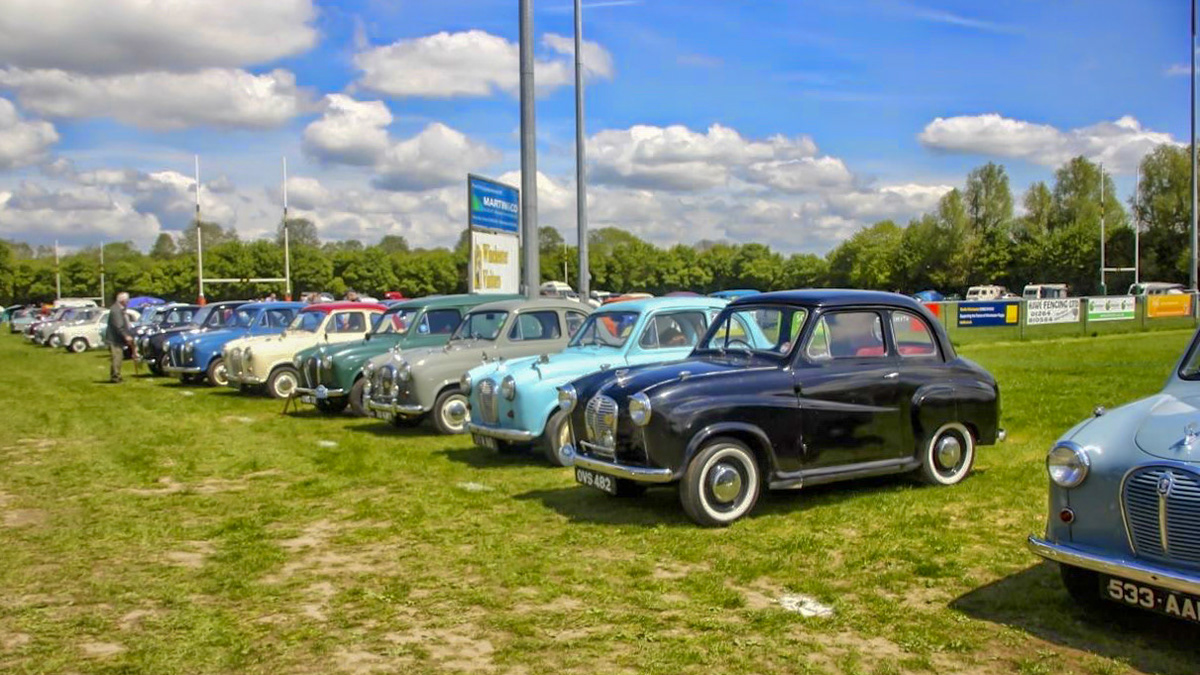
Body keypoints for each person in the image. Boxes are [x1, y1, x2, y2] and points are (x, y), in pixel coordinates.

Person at [105, 292, 135, 383]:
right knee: (117, 358)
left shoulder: (120, 309)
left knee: (119, 357)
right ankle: (115, 377)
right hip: (114, 339)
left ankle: (116, 375)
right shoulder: (116, 310)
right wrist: (126, 336)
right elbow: (118, 326)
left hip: (117, 339)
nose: (128, 302)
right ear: (122, 300)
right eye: (127, 300)